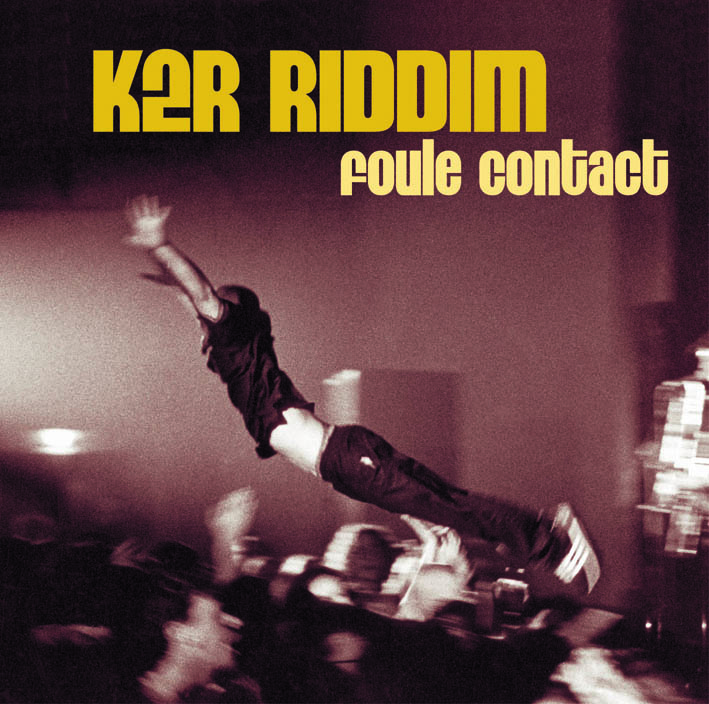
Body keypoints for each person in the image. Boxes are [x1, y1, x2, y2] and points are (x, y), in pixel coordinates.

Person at [124, 195, 600, 595]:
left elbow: (201, 294)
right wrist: (164, 267)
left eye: (206, 313)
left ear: (228, 313)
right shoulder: (237, 347)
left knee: (452, 506)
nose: (198, 320)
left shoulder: (234, 340)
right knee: (442, 507)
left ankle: (552, 540)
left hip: (344, 457)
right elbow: (193, 295)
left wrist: (161, 246)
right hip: (341, 464)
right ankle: (522, 538)